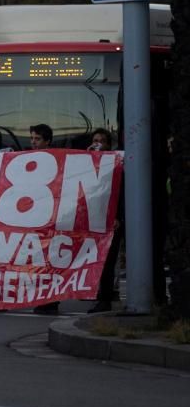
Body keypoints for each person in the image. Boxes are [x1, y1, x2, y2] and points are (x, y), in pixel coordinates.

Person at [87, 128, 120, 313]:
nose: (97, 143)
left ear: (108, 145)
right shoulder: (88, 164)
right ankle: (99, 295)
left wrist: (118, 216)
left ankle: (105, 298)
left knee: (107, 260)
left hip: (110, 220)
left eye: (101, 140)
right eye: (94, 140)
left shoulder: (116, 165)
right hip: (93, 219)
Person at [30, 123, 58, 315]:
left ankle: (51, 300)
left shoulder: (57, 159)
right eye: (32, 138)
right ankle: (43, 298)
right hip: (34, 218)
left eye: (37, 139)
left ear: (48, 141)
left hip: (51, 219)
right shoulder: (27, 159)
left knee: (51, 260)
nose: (33, 142)